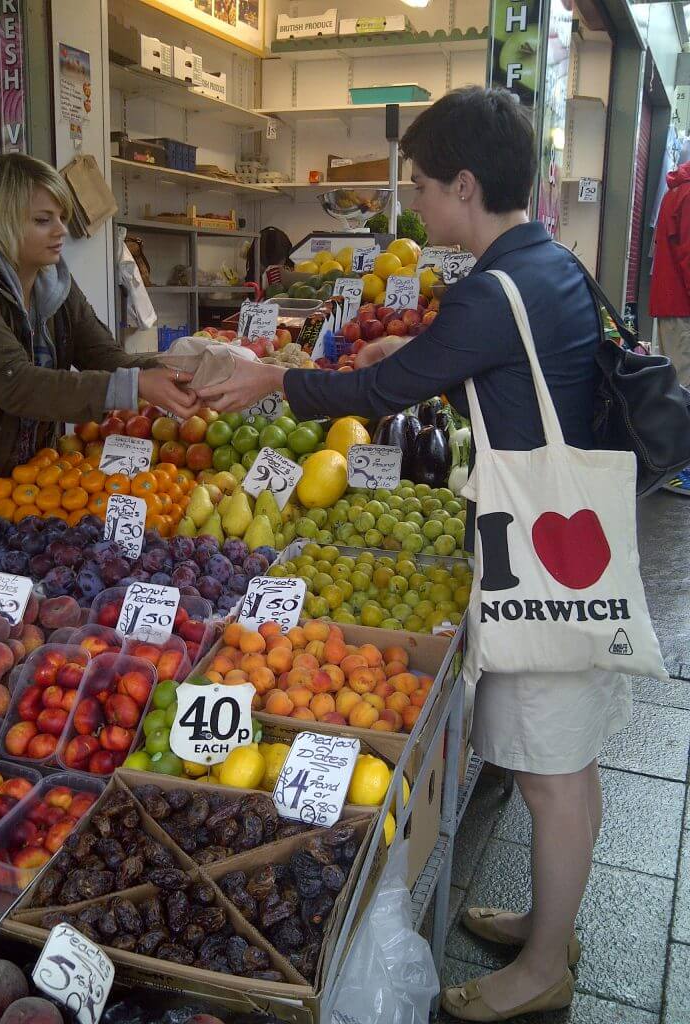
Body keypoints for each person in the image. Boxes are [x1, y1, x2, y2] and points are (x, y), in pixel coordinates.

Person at [172, 87, 633, 1020]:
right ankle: (555, 924)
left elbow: (388, 385)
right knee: (564, 759)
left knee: (550, 769)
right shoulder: (551, 264)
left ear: (466, 183)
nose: (415, 206)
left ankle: (545, 968)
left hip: (545, 552)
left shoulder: (495, 289)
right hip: (566, 535)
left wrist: (270, 379)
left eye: (422, 187)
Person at [0, 153, 190, 511]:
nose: (61, 230)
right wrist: (136, 385)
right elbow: (16, 383)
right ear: (2, 221)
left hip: (30, 480)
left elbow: (106, 357)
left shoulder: (53, 282)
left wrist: (180, 368)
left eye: (61, 217)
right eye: (43, 220)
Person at [650, 160, 690, 386]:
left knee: (676, 384)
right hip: (682, 307)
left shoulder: (677, 190)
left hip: (673, 304)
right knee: (684, 388)